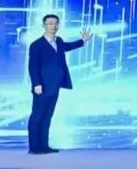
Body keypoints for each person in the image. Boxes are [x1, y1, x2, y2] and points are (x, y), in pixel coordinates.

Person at [27, 15, 91, 154]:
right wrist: (36, 83)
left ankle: (44, 146)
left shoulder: (59, 41)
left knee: (47, 117)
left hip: (55, 85)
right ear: (44, 26)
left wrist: (82, 41)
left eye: (55, 23)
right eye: (50, 23)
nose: (53, 26)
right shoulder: (36, 45)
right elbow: (33, 66)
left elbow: (68, 46)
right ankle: (34, 147)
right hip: (42, 86)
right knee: (37, 116)